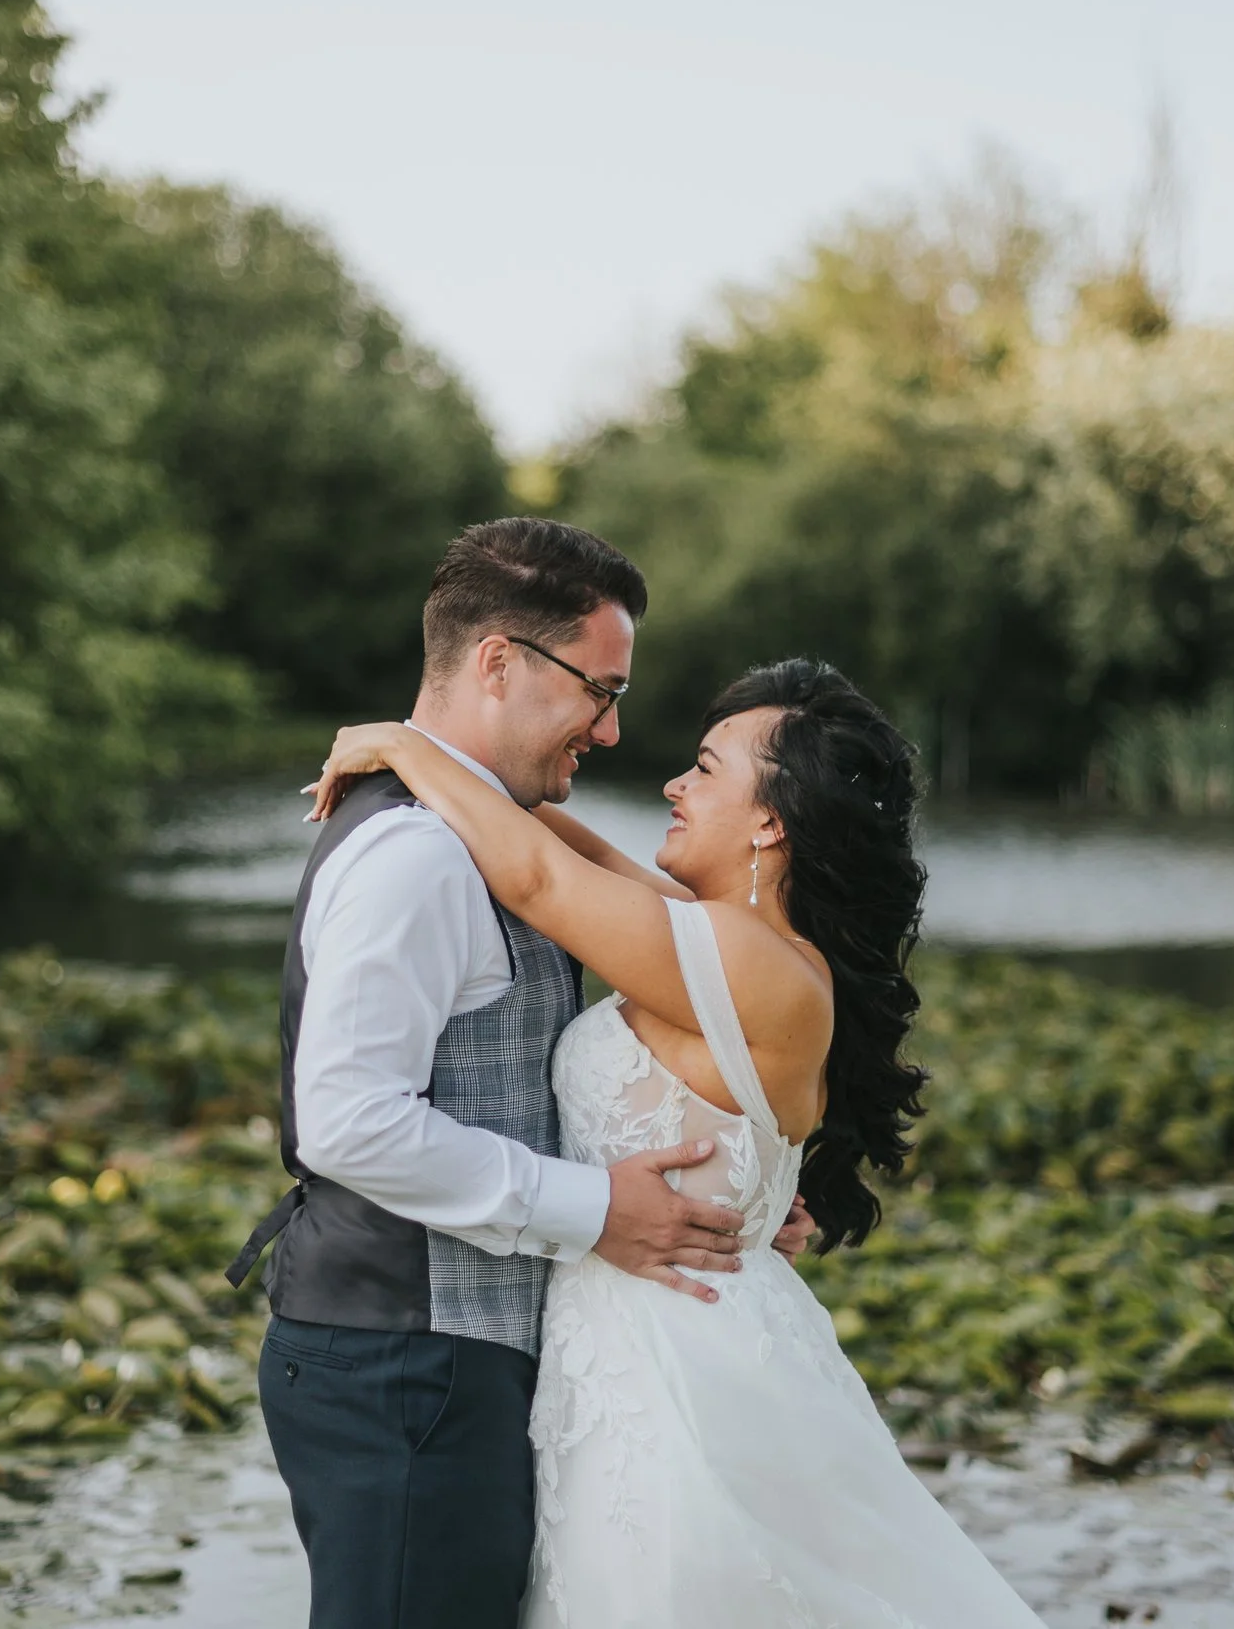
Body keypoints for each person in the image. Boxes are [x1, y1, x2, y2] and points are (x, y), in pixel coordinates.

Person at [306, 657, 1041, 1626]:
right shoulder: (718, 939)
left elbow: (535, 875)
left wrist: (402, 744)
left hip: (675, 1369)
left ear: (770, 821)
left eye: (703, 768)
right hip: (640, 1347)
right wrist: (453, 756)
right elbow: (557, 843)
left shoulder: (744, 961)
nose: (672, 785)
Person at [226, 517, 813, 1629]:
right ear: (499, 662)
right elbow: (346, 1121)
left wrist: (738, 1184)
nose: (612, 727)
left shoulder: (492, 833)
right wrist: (597, 1207)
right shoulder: (417, 854)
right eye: (600, 689)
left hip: (462, 1365)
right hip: (404, 1366)